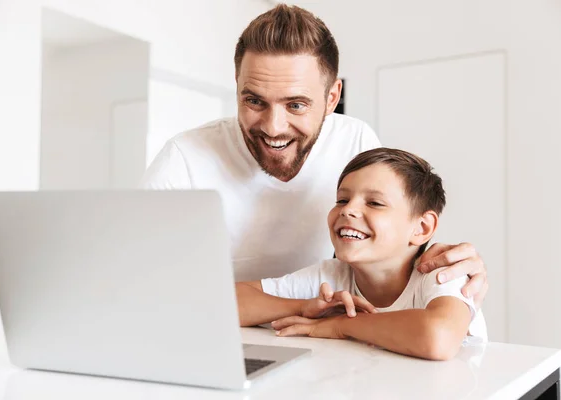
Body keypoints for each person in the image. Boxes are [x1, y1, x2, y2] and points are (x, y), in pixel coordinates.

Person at [142, 4, 488, 306]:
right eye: (254, 101)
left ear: (332, 97)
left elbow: (389, 242)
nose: (274, 127)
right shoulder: (183, 159)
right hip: (220, 328)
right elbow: (142, 282)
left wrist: (443, 265)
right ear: (237, 85)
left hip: (319, 334)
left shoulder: (355, 140)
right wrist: (298, 309)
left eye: (295, 105)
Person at [236, 148, 487, 360]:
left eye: (375, 203)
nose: (349, 210)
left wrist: (339, 326)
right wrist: (304, 307)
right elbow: (224, 301)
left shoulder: (442, 273)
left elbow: (438, 337)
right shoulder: (330, 275)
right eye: (342, 200)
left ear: (421, 228)